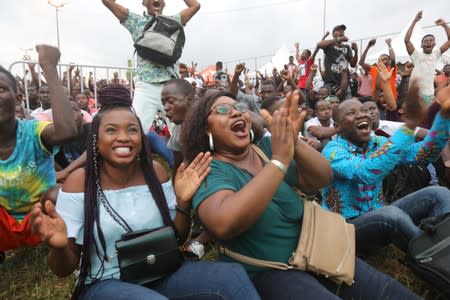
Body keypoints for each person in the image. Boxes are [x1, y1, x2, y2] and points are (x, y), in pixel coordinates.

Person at [181, 89, 421, 299]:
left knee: (388, 291)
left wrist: (293, 143)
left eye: (240, 107)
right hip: (269, 271)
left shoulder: (264, 148)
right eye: (223, 109)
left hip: (316, 249)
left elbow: (320, 178)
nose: (236, 113)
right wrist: (278, 163)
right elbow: (224, 223)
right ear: (205, 127)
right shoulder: (208, 168)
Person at [30, 85, 260, 300]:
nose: (123, 137)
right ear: (96, 141)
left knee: (231, 276)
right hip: (105, 282)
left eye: (132, 130)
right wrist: (59, 247)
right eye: (111, 130)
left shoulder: (156, 174)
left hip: (161, 271)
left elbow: (177, 237)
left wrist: (183, 201)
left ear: (141, 138)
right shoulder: (80, 182)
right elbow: (63, 269)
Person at [321, 83, 450, 253]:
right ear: (337, 127)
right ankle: (436, 256)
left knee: (439, 193)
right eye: (351, 113)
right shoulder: (333, 151)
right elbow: (366, 172)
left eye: (364, 111)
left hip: (380, 216)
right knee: (390, 215)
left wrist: (444, 117)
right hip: (347, 229)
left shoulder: (378, 143)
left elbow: (422, 155)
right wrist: (409, 127)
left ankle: (444, 240)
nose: (362, 115)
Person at [0, 45, 77, 257]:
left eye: (0, 89)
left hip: (42, 214)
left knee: (59, 194)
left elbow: (67, 131)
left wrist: (49, 68)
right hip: (4, 222)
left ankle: (64, 241)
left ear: (18, 99)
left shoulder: (33, 131)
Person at [102, 0, 201, 133]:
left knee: (182, 133)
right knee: (136, 129)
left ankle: (185, 154)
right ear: (144, 3)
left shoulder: (174, 21)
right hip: (145, 86)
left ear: (164, 3)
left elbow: (195, 6)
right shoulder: (135, 21)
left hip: (171, 86)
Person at [405, 11, 450, 105]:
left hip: (429, 96)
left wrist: (444, 25)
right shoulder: (416, 55)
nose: (428, 42)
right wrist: (415, 21)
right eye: (425, 41)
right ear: (421, 45)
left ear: (434, 44)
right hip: (415, 94)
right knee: (416, 119)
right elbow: (407, 40)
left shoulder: (436, 54)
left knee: (427, 119)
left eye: (431, 41)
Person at [317, 24, 358, 97]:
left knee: (346, 106)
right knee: (329, 105)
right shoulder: (329, 44)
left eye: (343, 31)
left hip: (344, 83)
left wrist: (356, 51)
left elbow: (353, 64)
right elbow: (319, 45)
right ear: (333, 34)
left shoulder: (347, 47)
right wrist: (338, 39)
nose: (341, 32)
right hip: (330, 83)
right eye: (339, 30)